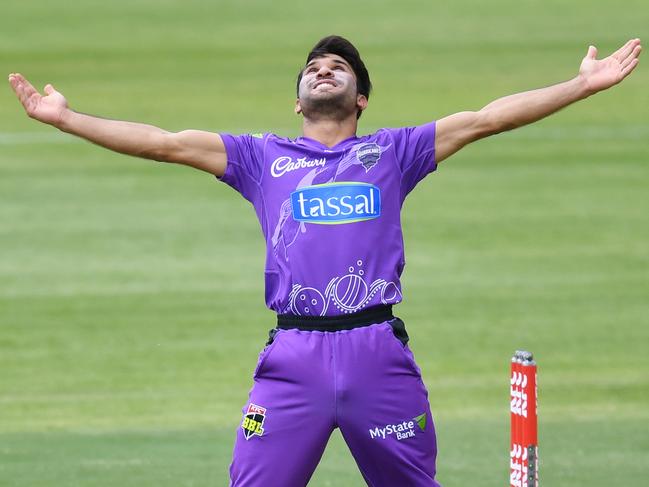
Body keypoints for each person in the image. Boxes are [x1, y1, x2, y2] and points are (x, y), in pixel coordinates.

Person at [9, 35, 641, 486]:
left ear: (360, 97)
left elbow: (486, 120)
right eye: (314, 67)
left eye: (339, 66)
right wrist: (66, 119)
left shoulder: (396, 153)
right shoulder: (261, 158)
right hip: (293, 363)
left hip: (378, 357)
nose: (324, 69)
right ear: (298, 100)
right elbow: (166, 144)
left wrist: (583, 85)